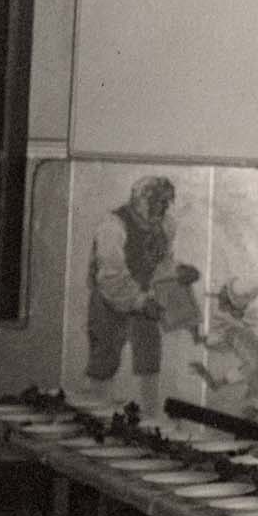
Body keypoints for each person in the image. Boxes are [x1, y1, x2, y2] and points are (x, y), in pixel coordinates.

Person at [86, 175, 196, 412]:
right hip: (109, 300)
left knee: (149, 359)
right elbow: (110, 278)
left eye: (166, 202)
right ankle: (97, 413)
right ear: (139, 200)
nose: (163, 208)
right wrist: (140, 302)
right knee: (104, 361)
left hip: (145, 301)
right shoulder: (112, 226)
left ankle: (149, 415)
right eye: (157, 202)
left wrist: (178, 272)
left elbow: (162, 264)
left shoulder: (165, 225)